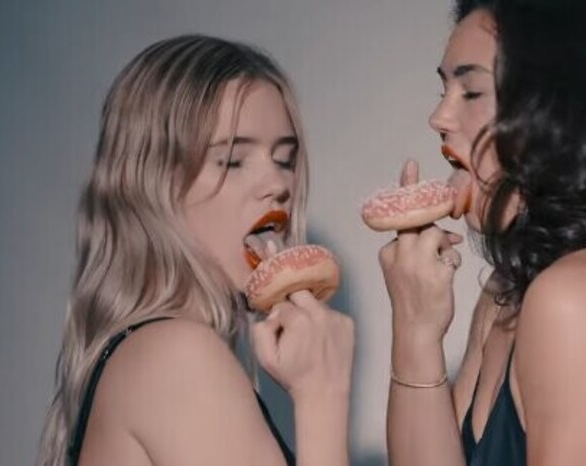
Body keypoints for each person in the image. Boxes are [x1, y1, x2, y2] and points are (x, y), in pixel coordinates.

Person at [381, 1, 586, 464]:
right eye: (444, 90)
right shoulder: (507, 290)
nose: (438, 117)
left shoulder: (582, 297)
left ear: (564, 111)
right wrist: (415, 329)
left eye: (471, 91)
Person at [36, 35, 354, 466]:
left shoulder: (150, 352)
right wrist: (323, 397)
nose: (278, 185)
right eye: (233, 161)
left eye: (284, 159)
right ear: (153, 185)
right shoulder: (175, 356)